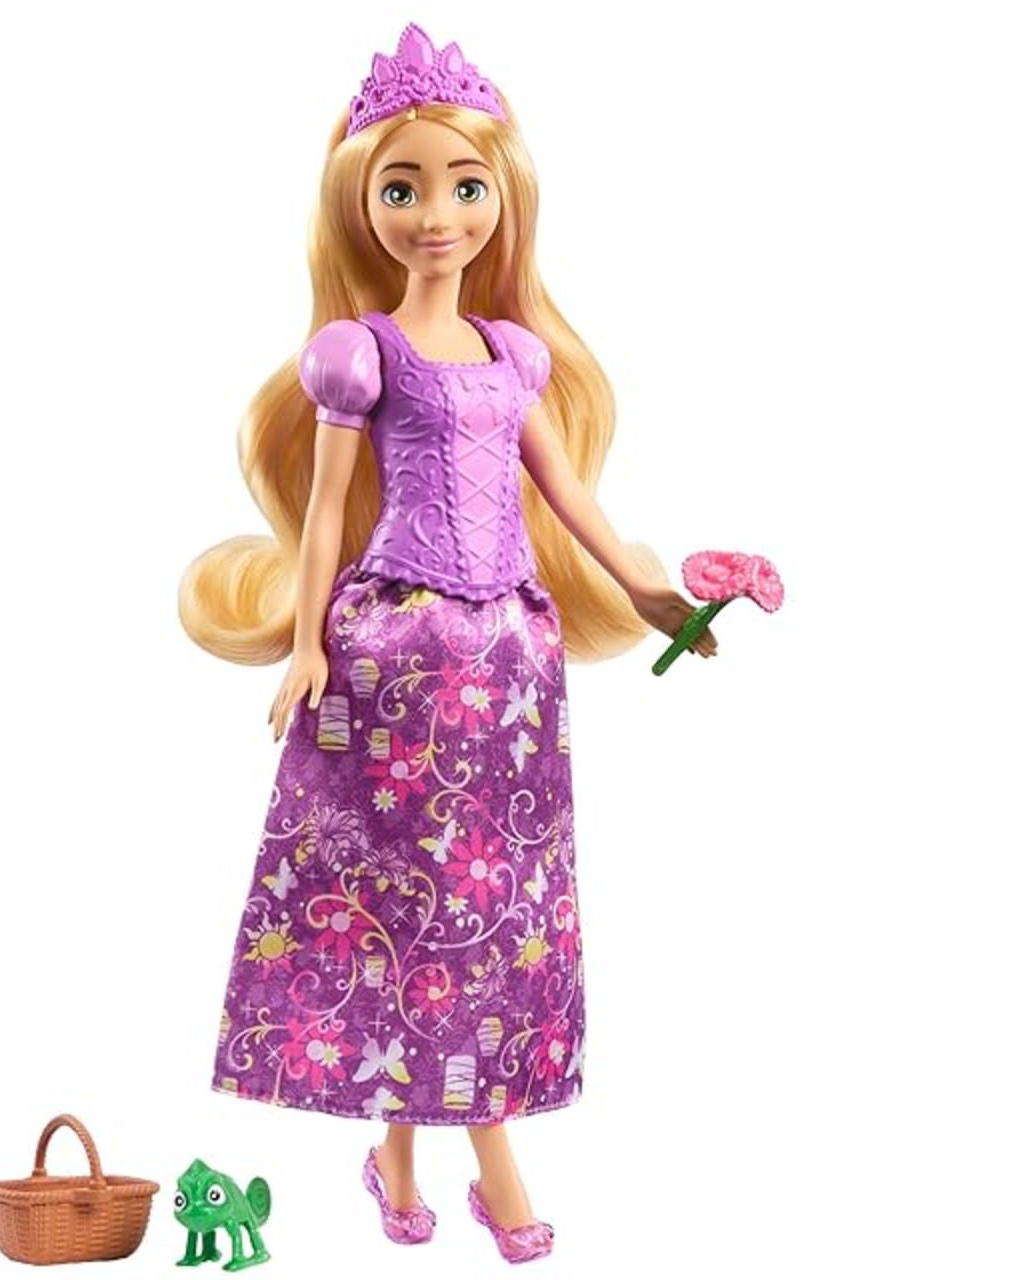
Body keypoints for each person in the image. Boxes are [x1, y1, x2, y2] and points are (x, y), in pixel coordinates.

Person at [178, 22, 717, 1264]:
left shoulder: (515, 355)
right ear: (361, 205)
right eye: (404, 189)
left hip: (508, 664)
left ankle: (399, 1156)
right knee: (398, 899)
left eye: (464, 188)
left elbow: (569, 499)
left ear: (502, 199)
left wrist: (645, 591)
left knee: (494, 900)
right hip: (394, 651)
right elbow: (326, 510)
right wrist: (305, 642)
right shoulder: (357, 352)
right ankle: (489, 1165)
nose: (436, 215)